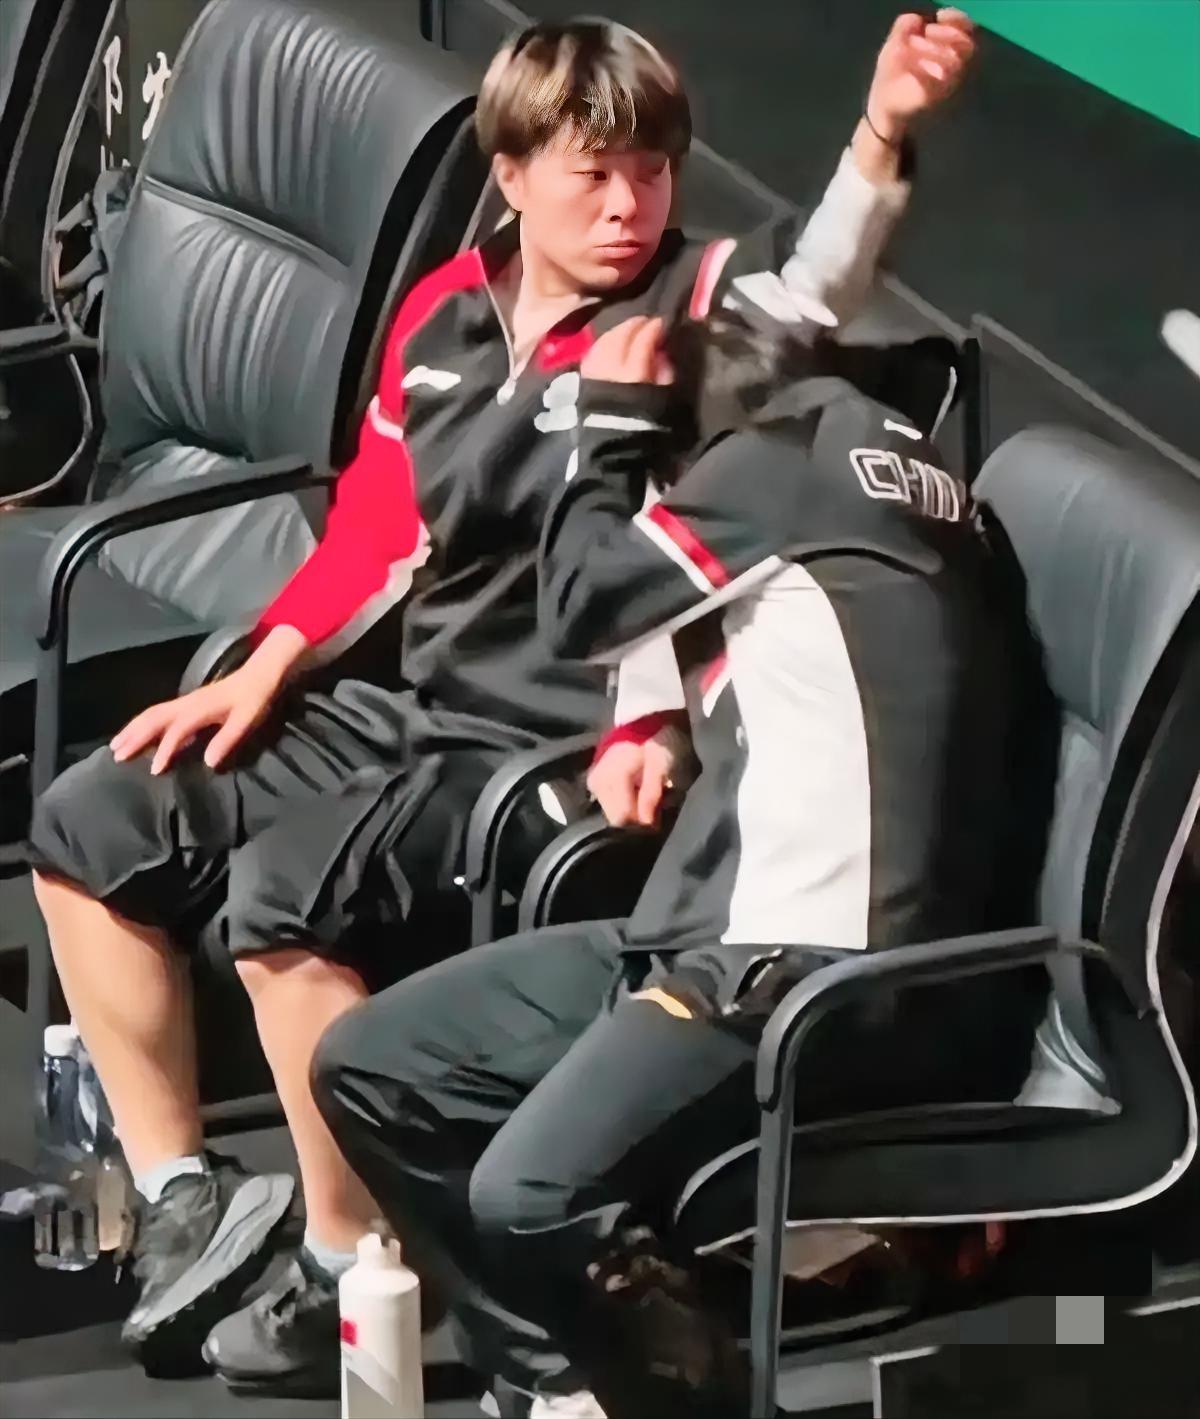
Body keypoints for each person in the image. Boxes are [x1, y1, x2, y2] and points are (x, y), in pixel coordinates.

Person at [27, 9, 977, 1395]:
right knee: (95, 815)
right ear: (513, 174)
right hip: (410, 701)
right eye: (594, 173)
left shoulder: (693, 316)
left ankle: (347, 1263)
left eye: (652, 170)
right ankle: (183, 1198)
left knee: (282, 892)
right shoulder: (444, 317)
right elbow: (375, 528)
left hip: (548, 744)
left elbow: (822, 279)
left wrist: (883, 133)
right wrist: (266, 660)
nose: (628, 203)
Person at [311, 298, 1043, 1419]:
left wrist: (605, 432)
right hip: (723, 924)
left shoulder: (774, 470)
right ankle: (559, 1389)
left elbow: (585, 602)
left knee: (533, 1192)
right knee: (375, 1064)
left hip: (816, 970)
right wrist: (652, 721)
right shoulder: (857, 454)